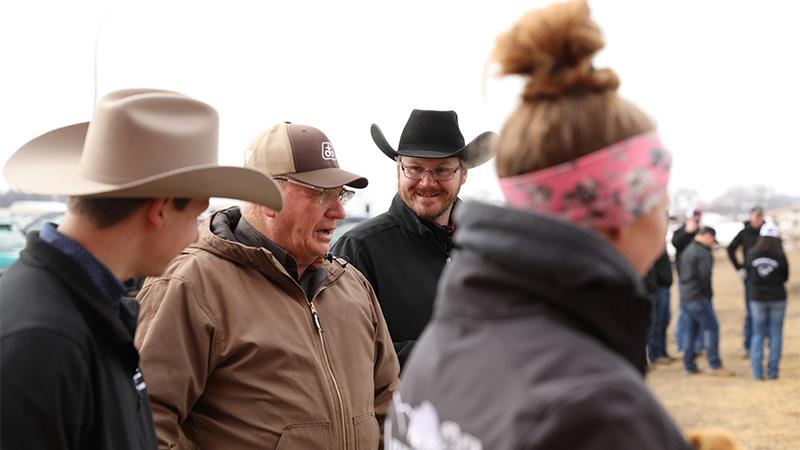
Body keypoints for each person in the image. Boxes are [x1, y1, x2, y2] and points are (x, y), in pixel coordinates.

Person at [385, 1, 692, 448]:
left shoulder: (446, 342)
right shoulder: (598, 406)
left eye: (442, 170)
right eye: (660, 187)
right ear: (624, 209)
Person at [0, 89, 282, 450]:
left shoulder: (87, 309)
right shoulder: (41, 340)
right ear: (160, 209)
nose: (199, 231)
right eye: (196, 214)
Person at [135, 122, 400, 449]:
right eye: (322, 194)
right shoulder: (192, 284)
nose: (340, 211)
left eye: (341, 194)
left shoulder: (352, 285)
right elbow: (146, 420)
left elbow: (388, 403)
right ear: (264, 197)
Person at [332, 109, 495, 368]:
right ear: (399, 169)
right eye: (415, 168)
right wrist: (456, 355)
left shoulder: (488, 249)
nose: (427, 182)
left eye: (442, 170)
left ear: (463, 174)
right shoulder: (359, 249)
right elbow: (345, 353)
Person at [679, 226, 734, 376]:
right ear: (707, 236)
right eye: (712, 240)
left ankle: (689, 365)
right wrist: (707, 295)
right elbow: (705, 277)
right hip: (698, 296)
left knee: (691, 331)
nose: (712, 244)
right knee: (712, 328)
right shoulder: (702, 253)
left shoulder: (688, 249)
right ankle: (714, 363)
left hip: (686, 295)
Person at [745, 221, 789, 380]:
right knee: (776, 334)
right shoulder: (780, 255)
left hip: (757, 299)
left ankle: (757, 372)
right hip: (777, 298)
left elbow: (748, 274)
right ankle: (773, 372)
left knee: (758, 334)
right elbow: (785, 276)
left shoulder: (752, 253)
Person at [726, 205, 765, 358]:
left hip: (767, 278)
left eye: (757, 218)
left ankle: (765, 341)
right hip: (750, 277)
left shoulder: (768, 230)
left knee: (767, 311)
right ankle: (748, 345)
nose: (754, 221)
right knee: (751, 312)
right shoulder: (744, 232)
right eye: (752, 218)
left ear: (762, 218)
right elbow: (731, 249)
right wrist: (739, 268)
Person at [672, 207, 706, 355]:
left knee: (701, 312)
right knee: (685, 312)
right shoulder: (680, 233)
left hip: (700, 280)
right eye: (693, 219)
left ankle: (698, 345)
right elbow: (676, 243)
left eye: (697, 219)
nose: (696, 222)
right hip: (685, 280)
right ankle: (682, 345)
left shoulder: (702, 232)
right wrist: (688, 232)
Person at [646, 249, 676, 365]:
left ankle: (663, 352)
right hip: (657, 289)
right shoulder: (651, 246)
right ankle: (655, 354)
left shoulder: (661, 247)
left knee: (664, 321)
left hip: (664, 288)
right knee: (657, 322)